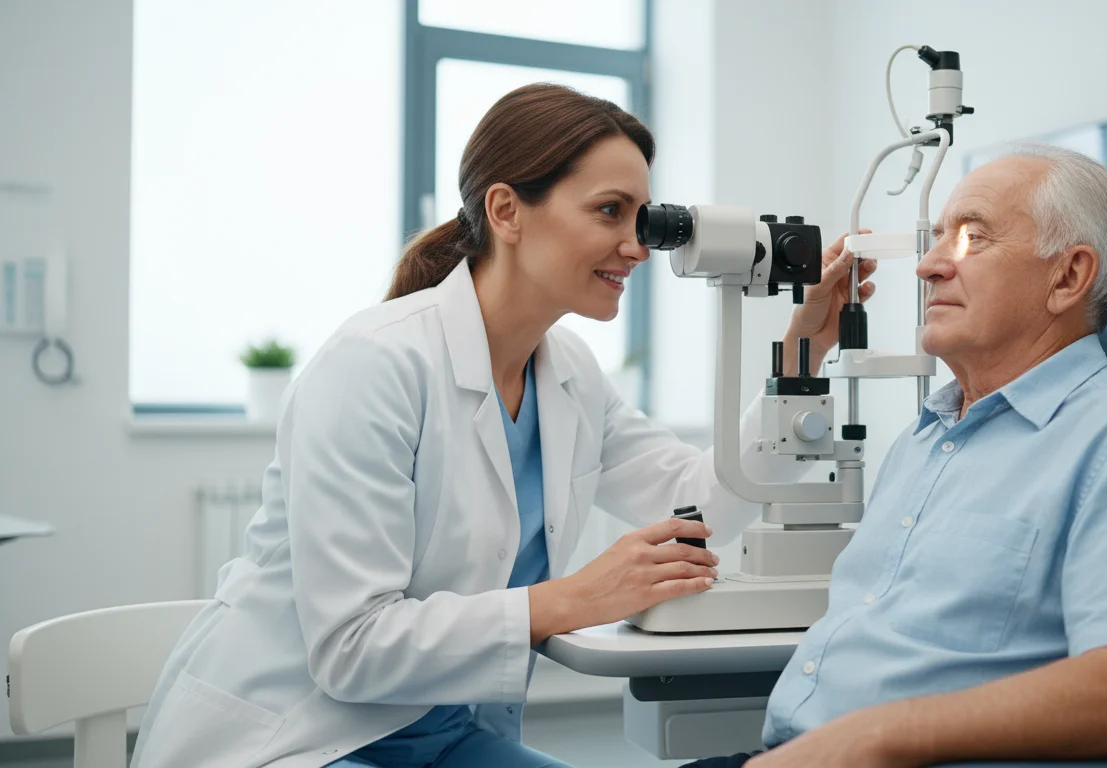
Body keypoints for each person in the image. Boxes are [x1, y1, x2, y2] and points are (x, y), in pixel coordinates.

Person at [128, 83, 877, 768]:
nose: (637, 246)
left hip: (443, 733)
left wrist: (803, 348)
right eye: (609, 211)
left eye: (643, 219)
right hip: (296, 735)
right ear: (507, 210)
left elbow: (705, 501)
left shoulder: (571, 375)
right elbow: (351, 649)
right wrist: (574, 598)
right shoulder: (374, 364)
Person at [685, 145, 1107, 768]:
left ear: (1069, 277)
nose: (927, 265)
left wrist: (874, 736)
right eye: (937, 237)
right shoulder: (925, 438)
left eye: (971, 238)